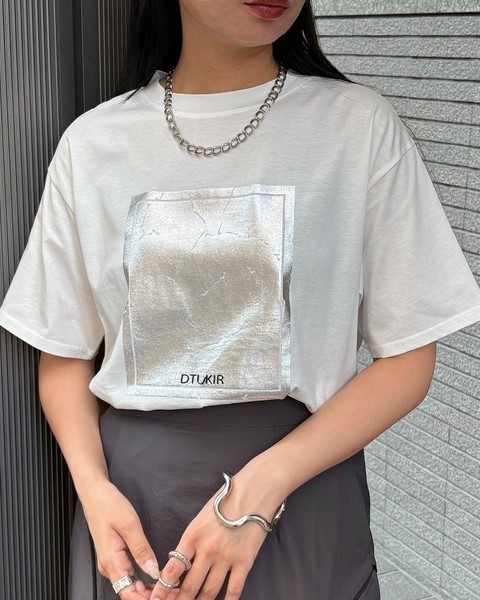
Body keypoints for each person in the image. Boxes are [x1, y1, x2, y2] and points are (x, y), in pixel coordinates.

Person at [1, 1, 480, 599]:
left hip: (301, 494)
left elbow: (408, 357)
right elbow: (64, 353)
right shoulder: (94, 142)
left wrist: (257, 493)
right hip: (133, 508)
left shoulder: (356, 127)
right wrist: (94, 492)